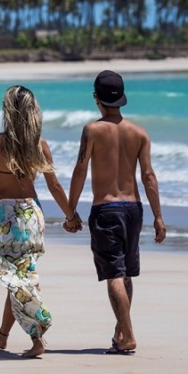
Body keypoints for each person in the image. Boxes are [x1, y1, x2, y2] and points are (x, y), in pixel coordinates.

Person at [0, 85, 82, 358]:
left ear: (8, 111)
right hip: (32, 216)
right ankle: (3, 334)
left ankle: (37, 337)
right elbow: (54, 186)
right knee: (17, 276)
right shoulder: (40, 145)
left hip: (6, 217)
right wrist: (71, 215)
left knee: (18, 278)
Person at [66, 70, 167, 355]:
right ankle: (120, 334)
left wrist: (70, 211)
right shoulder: (139, 133)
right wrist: (158, 216)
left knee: (113, 275)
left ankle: (129, 335)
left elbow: (80, 170)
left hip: (106, 208)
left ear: (96, 99)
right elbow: (148, 176)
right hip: (134, 209)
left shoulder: (92, 130)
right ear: (121, 99)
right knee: (125, 275)